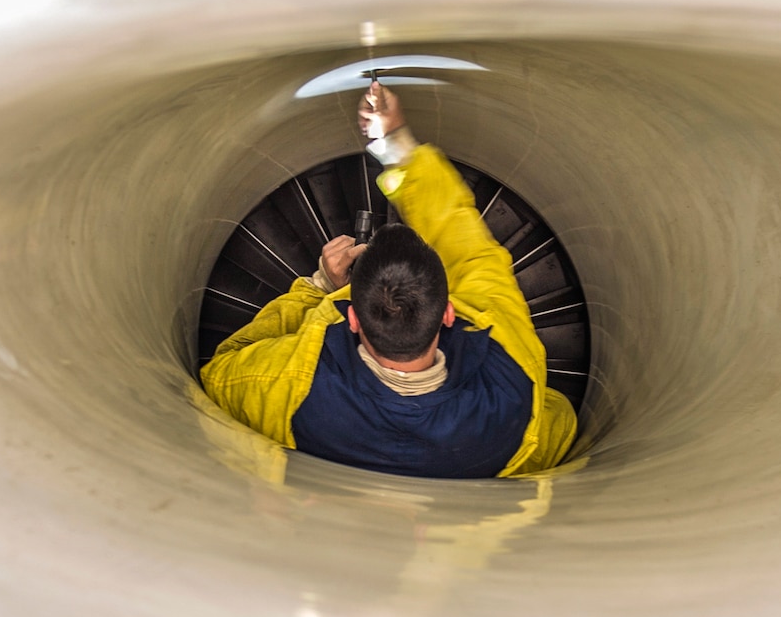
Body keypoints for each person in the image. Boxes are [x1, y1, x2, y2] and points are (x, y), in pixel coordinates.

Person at [199, 82, 577, 478]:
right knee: (556, 418)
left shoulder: (281, 384)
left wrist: (318, 286)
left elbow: (219, 376)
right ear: (448, 313)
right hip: (500, 447)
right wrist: (395, 144)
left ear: (353, 320)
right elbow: (463, 241)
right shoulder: (510, 368)